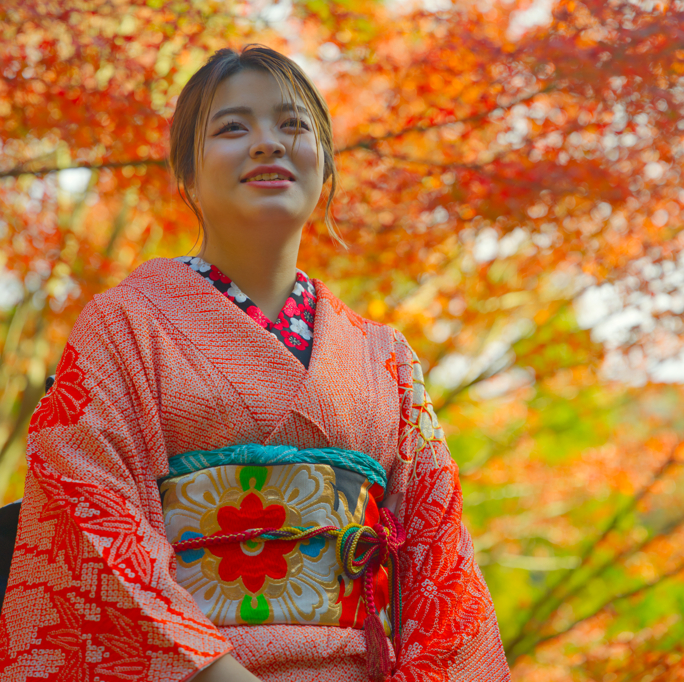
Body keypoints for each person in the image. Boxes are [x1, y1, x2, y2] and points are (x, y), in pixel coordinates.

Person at [0, 45, 510, 682]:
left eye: (293, 126)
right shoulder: (125, 323)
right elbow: (89, 505)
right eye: (233, 127)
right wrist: (212, 669)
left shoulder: (386, 357)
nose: (268, 143)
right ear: (186, 171)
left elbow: (443, 565)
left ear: (323, 165)